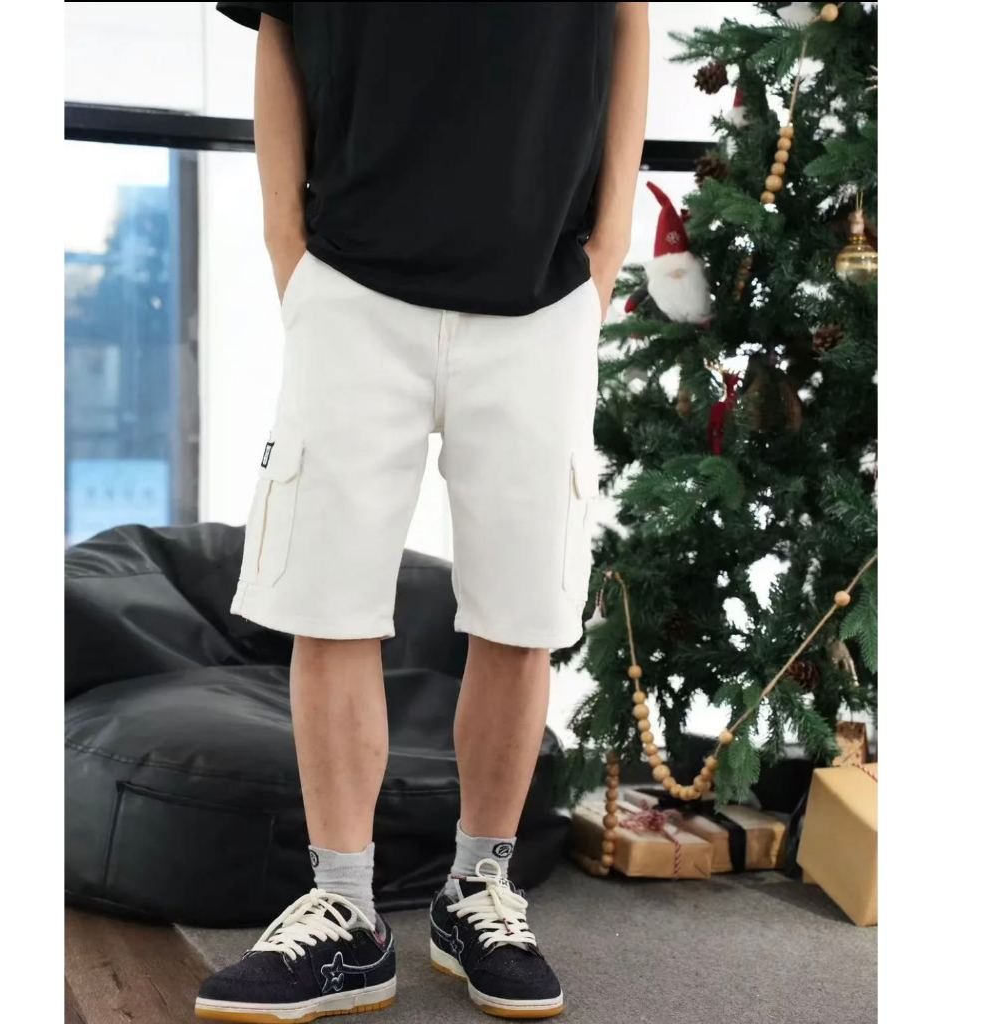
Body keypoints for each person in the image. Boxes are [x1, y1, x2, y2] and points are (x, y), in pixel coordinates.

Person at [197, 4, 649, 1021]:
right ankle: (346, 912)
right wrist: (285, 242)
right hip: (352, 281)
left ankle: (477, 889)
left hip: (543, 292)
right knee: (328, 601)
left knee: (522, 611)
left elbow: (628, 15)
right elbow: (276, 22)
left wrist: (609, 245)